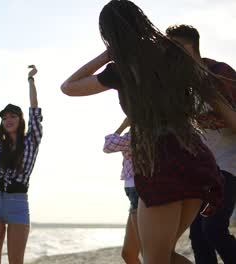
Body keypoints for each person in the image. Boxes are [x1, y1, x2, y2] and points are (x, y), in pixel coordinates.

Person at [60, 1, 236, 263]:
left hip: (161, 162)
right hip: (198, 159)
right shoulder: (174, 55)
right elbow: (215, 97)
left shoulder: (123, 66)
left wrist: (107, 55)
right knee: (164, 255)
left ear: (109, 34)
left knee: (155, 258)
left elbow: (69, 87)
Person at [166, 24, 236, 264]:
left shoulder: (218, 72)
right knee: (197, 236)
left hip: (229, 163)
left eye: (172, 49)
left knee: (213, 228)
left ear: (188, 47)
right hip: (201, 169)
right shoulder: (182, 85)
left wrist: (214, 113)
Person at [0, 65, 43, 264]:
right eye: (4, 118)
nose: (8, 120)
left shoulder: (33, 139)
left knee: (16, 261)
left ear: (20, 119)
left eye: (13, 116)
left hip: (18, 203)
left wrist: (31, 80)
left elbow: (34, 108)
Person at [103, 117, 141, 264]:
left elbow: (108, 145)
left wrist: (123, 125)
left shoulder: (136, 135)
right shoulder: (134, 134)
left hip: (138, 191)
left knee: (148, 252)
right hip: (133, 193)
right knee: (128, 253)